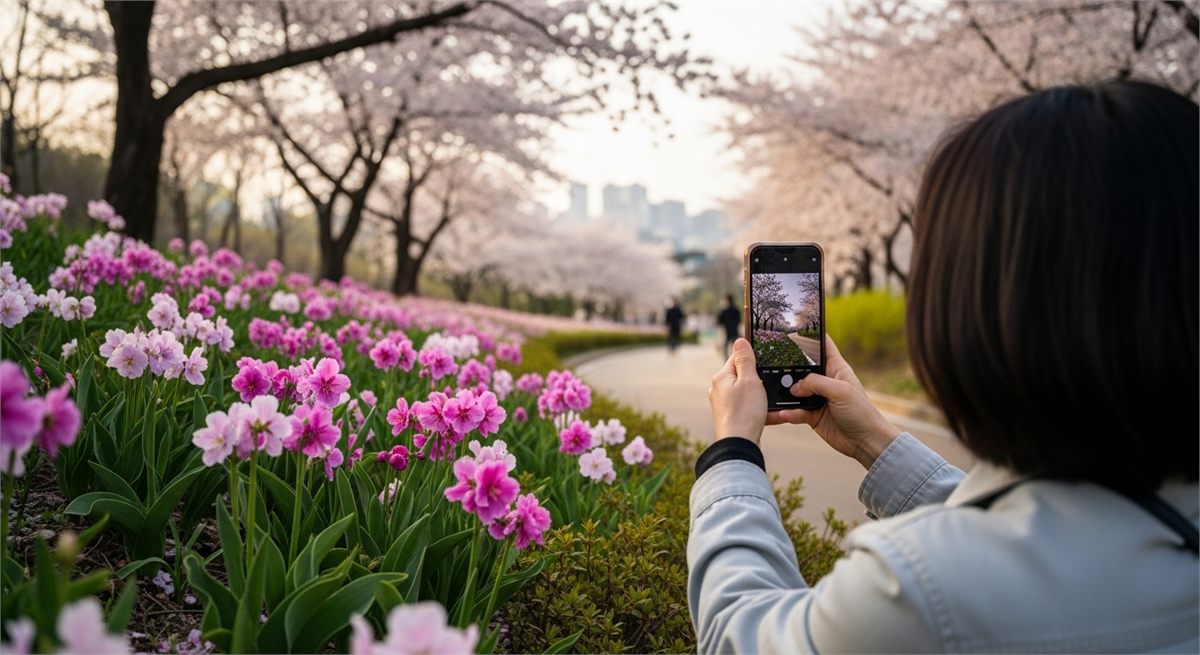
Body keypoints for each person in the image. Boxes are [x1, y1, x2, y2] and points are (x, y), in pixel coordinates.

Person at [691, 80, 1198, 653]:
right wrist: (874, 442)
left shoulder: (914, 589)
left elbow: (742, 633)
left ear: (974, 304)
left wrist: (732, 451)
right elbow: (1056, 543)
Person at [716, 294, 741, 359]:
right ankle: (735, 359)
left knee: (726, 346)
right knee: (735, 346)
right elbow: (739, 320)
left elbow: (719, 321)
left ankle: (726, 359)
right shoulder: (736, 310)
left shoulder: (724, 311)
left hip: (727, 331)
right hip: (735, 331)